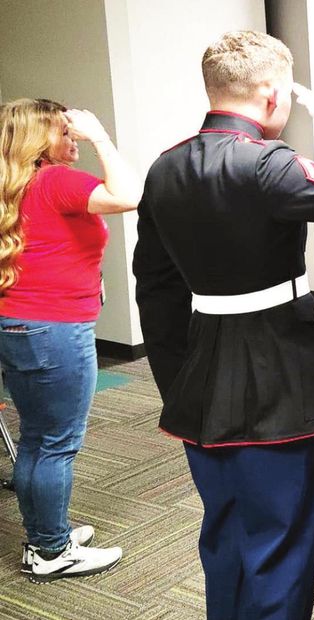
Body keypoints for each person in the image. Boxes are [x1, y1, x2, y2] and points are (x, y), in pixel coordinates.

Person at [133, 31, 314, 619]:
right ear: (271, 93)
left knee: (225, 534)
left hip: (201, 372)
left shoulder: (165, 167)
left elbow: (155, 289)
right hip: (280, 373)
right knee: (282, 542)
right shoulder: (265, 163)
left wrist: (180, 382)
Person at [0, 99, 138, 581]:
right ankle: (50, 551)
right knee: (55, 443)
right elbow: (128, 195)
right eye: (65, 131)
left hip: (19, 324)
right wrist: (101, 135)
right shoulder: (55, 179)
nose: (73, 138)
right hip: (54, 331)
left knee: (36, 438)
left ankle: (46, 533)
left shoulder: (15, 183)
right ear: (41, 142)